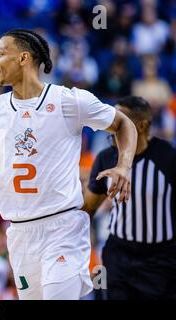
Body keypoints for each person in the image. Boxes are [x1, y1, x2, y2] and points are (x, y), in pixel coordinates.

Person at [0, 29, 137, 300]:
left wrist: (124, 165)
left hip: (63, 226)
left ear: (23, 58)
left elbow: (124, 124)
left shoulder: (68, 100)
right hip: (20, 233)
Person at [83, 96, 176, 299]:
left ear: (141, 126)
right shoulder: (106, 158)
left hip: (161, 259)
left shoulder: (168, 156)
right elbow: (87, 209)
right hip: (119, 255)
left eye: (121, 119)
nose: (114, 124)